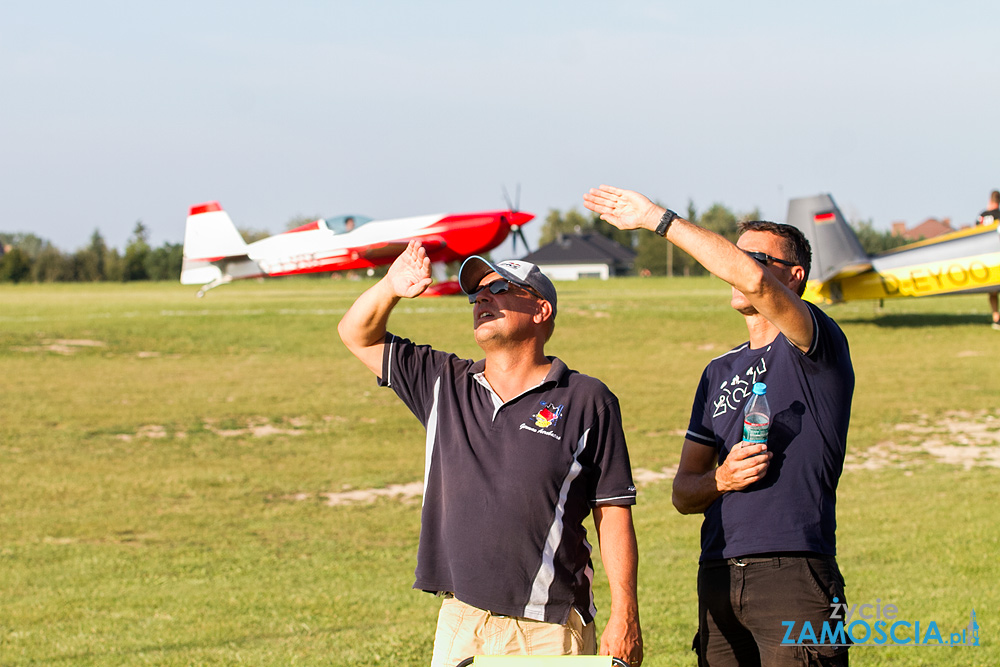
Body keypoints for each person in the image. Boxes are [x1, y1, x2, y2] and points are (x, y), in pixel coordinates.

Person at [337, 240, 643, 667]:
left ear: (541, 311)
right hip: (462, 619)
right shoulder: (443, 381)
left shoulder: (587, 399)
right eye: (477, 293)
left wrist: (625, 613)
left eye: (501, 289)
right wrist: (390, 286)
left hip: (549, 627)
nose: (482, 298)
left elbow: (613, 512)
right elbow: (356, 334)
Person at [584, 185, 855, 667]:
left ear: (794, 276)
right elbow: (683, 494)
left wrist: (656, 219)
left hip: (794, 570)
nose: (735, 264)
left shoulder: (814, 339)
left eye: (753, 256)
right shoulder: (718, 372)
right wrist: (720, 480)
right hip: (718, 572)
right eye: (735, 252)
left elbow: (754, 282)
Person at [976, 190, 1000, 330]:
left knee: (992, 291)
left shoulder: (982, 216)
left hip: (987, 258)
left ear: (990, 200)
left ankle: (995, 317)